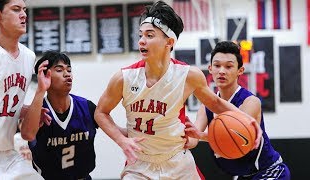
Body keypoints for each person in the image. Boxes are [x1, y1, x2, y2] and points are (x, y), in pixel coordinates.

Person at [94, 1, 262, 179]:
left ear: (169, 41)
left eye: (150, 35)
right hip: (140, 163)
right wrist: (121, 140)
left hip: (177, 161)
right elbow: (101, 112)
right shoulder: (123, 78)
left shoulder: (188, 75)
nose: (142, 40)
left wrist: (247, 121)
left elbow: (215, 103)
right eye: (141, 35)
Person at [184, 41, 290, 179]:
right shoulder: (205, 108)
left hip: (269, 171)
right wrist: (185, 139)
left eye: (228, 66)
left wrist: (202, 135)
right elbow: (194, 140)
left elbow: (237, 136)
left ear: (240, 70)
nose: (222, 71)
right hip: (242, 175)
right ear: (210, 69)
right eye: (217, 65)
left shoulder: (250, 101)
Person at [20, 51, 120, 179]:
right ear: (45, 76)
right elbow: (27, 134)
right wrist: (41, 90)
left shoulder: (86, 107)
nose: (67, 74)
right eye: (59, 70)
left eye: (69, 69)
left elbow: (117, 131)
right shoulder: (37, 111)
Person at [0, 0, 43, 179]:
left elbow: (1, 103)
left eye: (24, 10)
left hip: (8, 153)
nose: (24, 15)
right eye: (16, 9)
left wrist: (27, 111)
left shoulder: (29, 57)